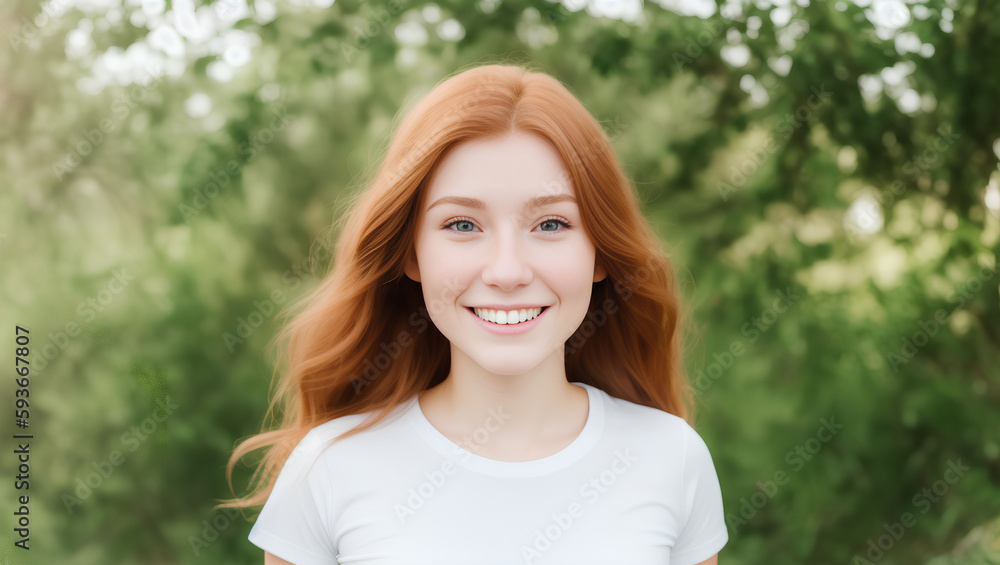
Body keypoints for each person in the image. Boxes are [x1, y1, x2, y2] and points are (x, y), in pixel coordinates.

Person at [217, 62, 729, 565]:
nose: (507, 272)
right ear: (411, 255)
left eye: (551, 224)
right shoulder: (327, 468)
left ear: (601, 253)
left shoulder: (672, 457)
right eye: (462, 225)